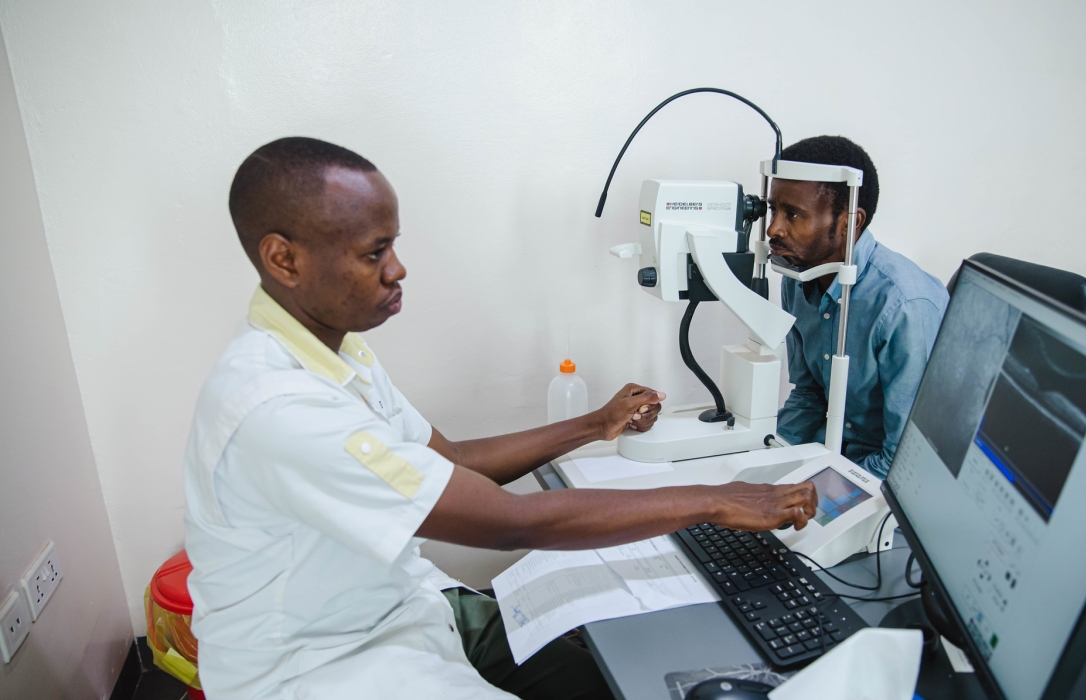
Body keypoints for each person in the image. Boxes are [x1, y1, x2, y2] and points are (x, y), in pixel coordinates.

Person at [182, 137, 819, 700]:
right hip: (327, 665)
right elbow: (510, 523)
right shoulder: (278, 407)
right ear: (284, 259)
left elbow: (448, 460)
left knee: (616, 678)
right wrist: (715, 500)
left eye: (393, 246)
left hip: (407, 608)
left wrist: (595, 424)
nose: (398, 269)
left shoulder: (334, 348)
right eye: (374, 253)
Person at [768, 136, 949, 478]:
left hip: (885, 482)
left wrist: (818, 488)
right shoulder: (797, 275)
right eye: (773, 209)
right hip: (829, 456)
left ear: (849, 222)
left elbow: (905, 462)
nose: (774, 228)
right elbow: (809, 396)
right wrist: (765, 458)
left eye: (793, 214)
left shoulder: (903, 306)